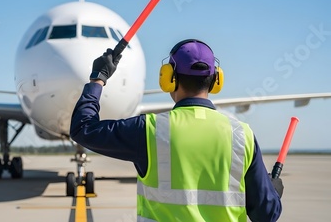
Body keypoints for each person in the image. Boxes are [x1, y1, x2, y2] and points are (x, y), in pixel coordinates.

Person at [70, 39, 283, 222]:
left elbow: (83, 128)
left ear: (169, 77)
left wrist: (98, 79)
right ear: (216, 80)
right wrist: (272, 192)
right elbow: (266, 214)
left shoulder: (150, 129)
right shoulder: (241, 134)